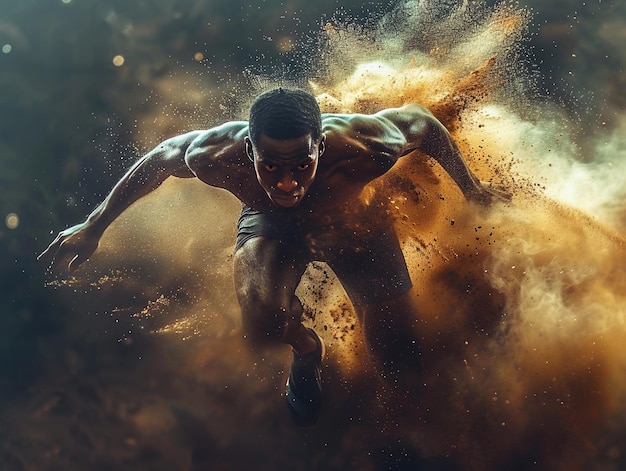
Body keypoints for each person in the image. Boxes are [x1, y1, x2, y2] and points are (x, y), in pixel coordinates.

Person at [39, 88, 504, 426]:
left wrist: (473, 188)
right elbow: (160, 158)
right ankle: (307, 352)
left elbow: (423, 119)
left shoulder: (368, 147)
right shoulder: (212, 155)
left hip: (356, 226)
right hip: (271, 228)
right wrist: (93, 226)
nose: (287, 182)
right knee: (261, 322)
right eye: (270, 166)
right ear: (248, 150)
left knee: (400, 370)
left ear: (321, 146)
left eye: (302, 164)